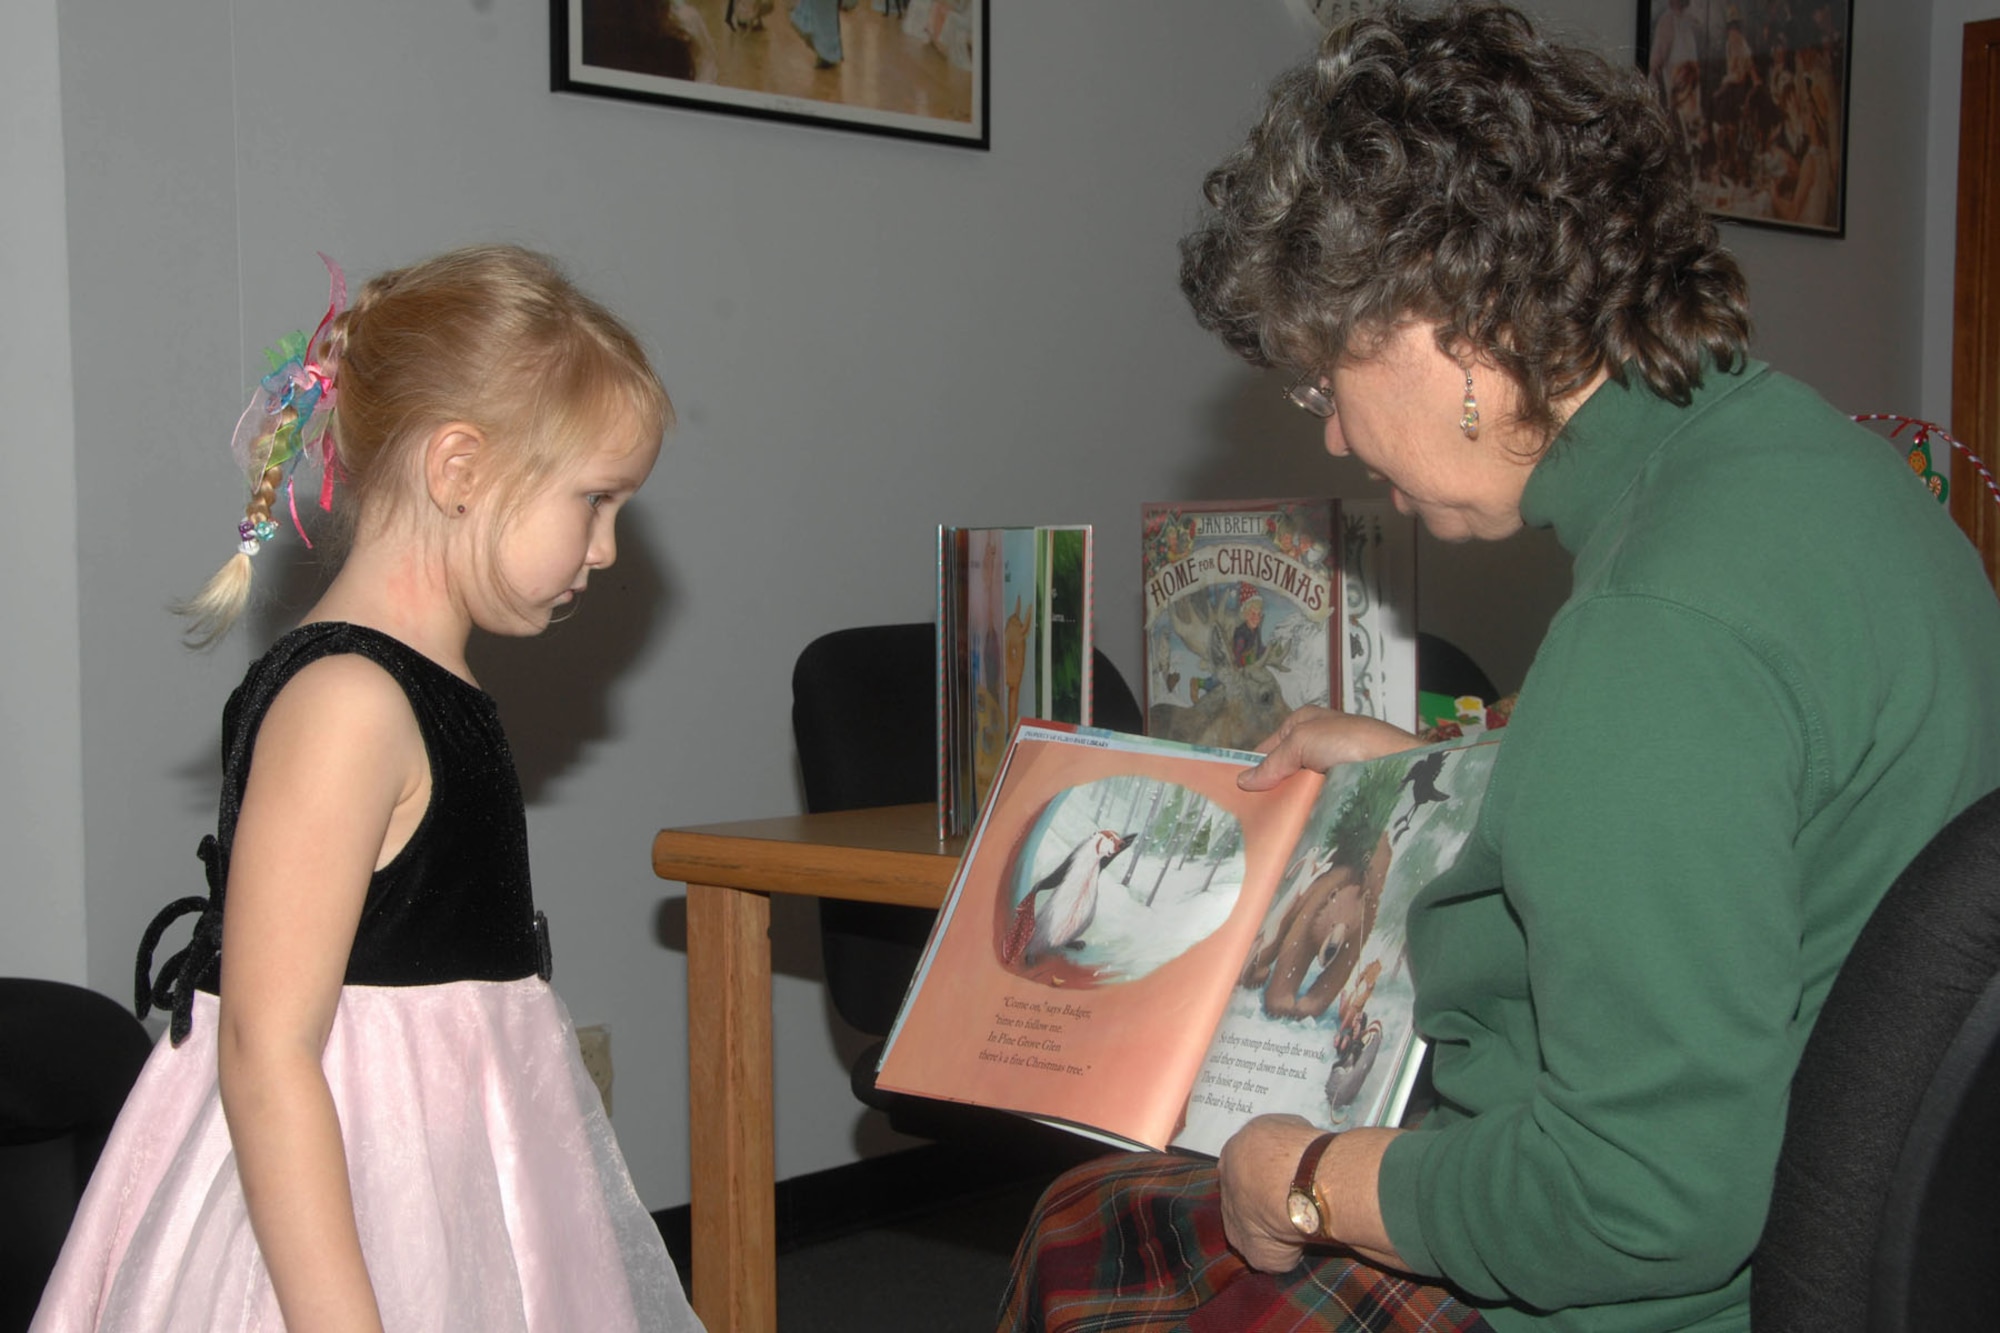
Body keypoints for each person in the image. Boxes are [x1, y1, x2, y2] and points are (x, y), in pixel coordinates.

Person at [1000, 4, 2000, 1331]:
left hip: (1651, 1292)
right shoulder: (1831, 477)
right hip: (1899, 1241)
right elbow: (1750, 792)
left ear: (1452, 325)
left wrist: (1305, 1177)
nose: (1342, 438)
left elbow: (1638, 1202)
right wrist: (1443, 766)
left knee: (1090, 1232)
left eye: (1324, 380)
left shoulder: (1658, 627)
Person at [32, 244, 703, 1333]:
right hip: (340, 1208)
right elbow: (266, 1047)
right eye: (592, 500)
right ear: (459, 469)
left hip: (450, 1177)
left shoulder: (430, 687)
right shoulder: (349, 700)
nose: (608, 547)